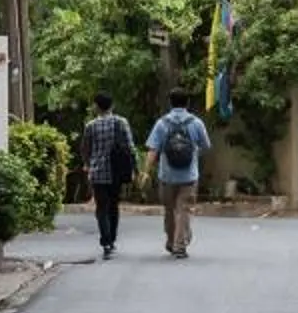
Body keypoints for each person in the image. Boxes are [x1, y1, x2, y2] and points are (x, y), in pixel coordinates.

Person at [142, 89, 211, 258]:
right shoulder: (196, 123)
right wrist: (193, 155)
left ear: (170, 103)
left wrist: (145, 172)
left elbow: (153, 150)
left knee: (169, 210)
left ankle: (171, 241)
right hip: (189, 176)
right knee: (184, 210)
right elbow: (206, 146)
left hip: (167, 176)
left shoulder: (162, 123)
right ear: (187, 103)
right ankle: (180, 245)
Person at [78, 93, 136, 259]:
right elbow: (130, 147)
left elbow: (85, 149)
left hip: (97, 172)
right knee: (113, 206)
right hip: (116, 171)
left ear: (97, 106)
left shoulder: (91, 126)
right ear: (112, 106)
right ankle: (112, 239)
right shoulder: (121, 122)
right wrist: (134, 168)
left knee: (101, 208)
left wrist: (87, 165)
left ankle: (106, 241)